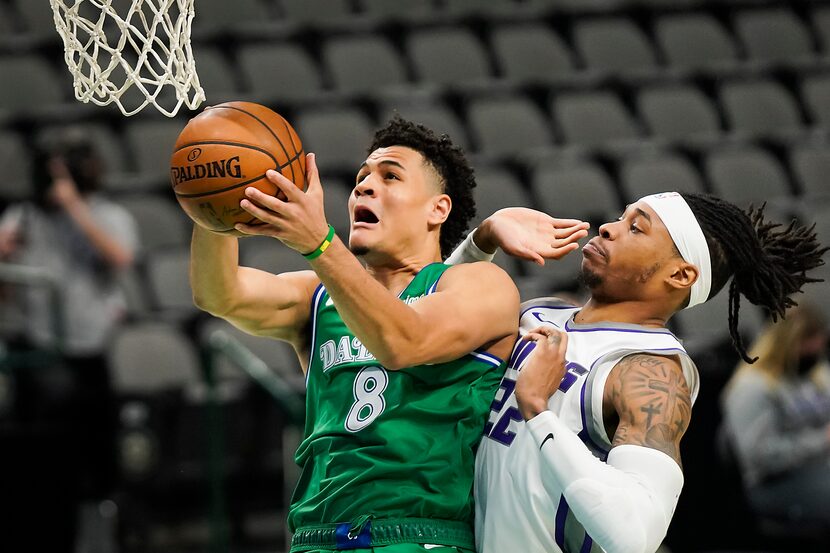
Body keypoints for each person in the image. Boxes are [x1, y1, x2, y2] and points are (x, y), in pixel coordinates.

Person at [190, 117, 586, 552]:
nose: (364, 186)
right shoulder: (318, 298)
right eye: (361, 178)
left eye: (389, 175)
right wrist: (218, 201)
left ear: (438, 208)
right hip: (314, 538)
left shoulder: (479, 285)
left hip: (416, 535)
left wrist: (320, 244)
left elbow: (404, 341)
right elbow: (219, 293)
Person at [445, 195, 827, 553]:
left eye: (636, 228)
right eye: (620, 218)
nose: (608, 228)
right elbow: (413, 332)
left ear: (680, 275)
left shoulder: (652, 371)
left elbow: (633, 535)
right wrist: (481, 241)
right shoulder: (538, 313)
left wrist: (537, 412)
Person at [0, 129, 139, 550]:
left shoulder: (108, 213)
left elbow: (119, 257)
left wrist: (73, 206)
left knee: (98, 461)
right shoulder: (21, 217)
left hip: (92, 351)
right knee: (45, 463)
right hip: (41, 350)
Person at [720, 300, 830, 528]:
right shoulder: (753, 388)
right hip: (775, 483)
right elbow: (761, 456)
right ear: (788, 345)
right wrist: (822, 440)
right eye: (808, 347)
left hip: (818, 468)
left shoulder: (815, 374)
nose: (815, 354)